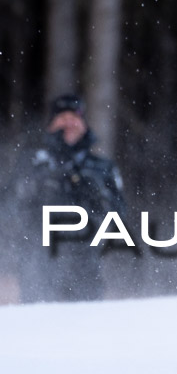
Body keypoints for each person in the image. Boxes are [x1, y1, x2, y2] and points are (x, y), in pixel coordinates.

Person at [0, 94, 125, 302]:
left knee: (88, 327)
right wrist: (38, 190)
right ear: (51, 124)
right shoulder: (31, 162)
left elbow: (118, 217)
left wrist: (95, 199)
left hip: (86, 267)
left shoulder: (102, 168)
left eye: (74, 117)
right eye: (62, 118)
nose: (69, 123)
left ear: (84, 124)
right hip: (38, 268)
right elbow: (8, 209)